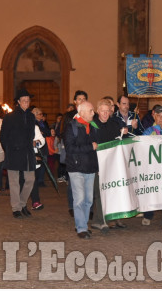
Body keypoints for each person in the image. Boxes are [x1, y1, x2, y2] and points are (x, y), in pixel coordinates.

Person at [0, 89, 44, 219]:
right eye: (23, 100)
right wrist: (8, 149)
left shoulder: (31, 116)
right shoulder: (9, 117)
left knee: (30, 180)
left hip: (28, 152)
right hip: (13, 152)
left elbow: (31, 134)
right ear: (18, 102)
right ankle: (16, 208)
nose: (26, 102)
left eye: (28, 100)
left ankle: (22, 203)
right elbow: (3, 136)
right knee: (14, 182)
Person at [64, 101, 99, 239]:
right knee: (79, 199)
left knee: (89, 200)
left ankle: (82, 224)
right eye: (90, 110)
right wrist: (90, 147)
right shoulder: (71, 127)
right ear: (82, 112)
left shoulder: (93, 126)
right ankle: (81, 228)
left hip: (90, 167)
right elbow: (70, 149)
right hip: (76, 167)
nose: (93, 112)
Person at [91, 98, 127, 232]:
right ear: (98, 111)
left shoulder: (113, 125)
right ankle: (102, 221)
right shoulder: (93, 125)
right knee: (99, 193)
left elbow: (120, 142)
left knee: (110, 191)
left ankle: (99, 220)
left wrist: (123, 133)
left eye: (107, 111)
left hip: (111, 165)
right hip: (97, 165)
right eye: (103, 111)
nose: (105, 114)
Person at [60, 90, 88, 217]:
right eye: (79, 99)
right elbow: (63, 132)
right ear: (75, 101)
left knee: (87, 181)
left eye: (84, 99)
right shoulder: (69, 116)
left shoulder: (89, 114)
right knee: (72, 181)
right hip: (72, 152)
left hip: (85, 152)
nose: (81, 101)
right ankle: (72, 205)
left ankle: (87, 207)